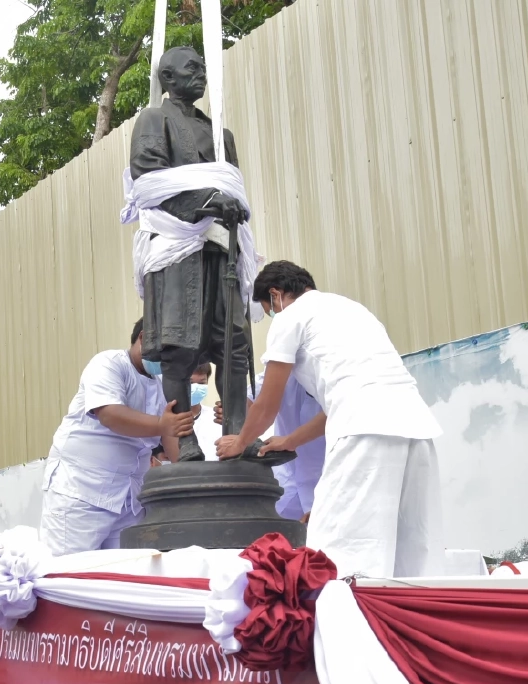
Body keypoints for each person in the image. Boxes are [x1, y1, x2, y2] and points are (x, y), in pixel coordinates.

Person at [217, 260, 443, 578]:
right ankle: (408, 608)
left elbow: (266, 405)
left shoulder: (290, 317)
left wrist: (239, 443)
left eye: (269, 310)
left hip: (363, 431)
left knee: (340, 549)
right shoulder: (354, 310)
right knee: (411, 548)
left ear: (276, 295)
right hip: (415, 426)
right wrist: (291, 440)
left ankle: (347, 610)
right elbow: (344, 399)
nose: (272, 316)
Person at [129, 46, 253, 462]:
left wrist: (230, 205)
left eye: (203, 68)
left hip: (220, 248)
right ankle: (184, 441)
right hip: (176, 247)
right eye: (191, 69)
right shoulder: (153, 120)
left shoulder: (220, 135)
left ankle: (238, 435)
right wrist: (209, 201)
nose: (200, 75)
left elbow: (231, 185)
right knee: (179, 347)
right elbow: (149, 181)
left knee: (233, 344)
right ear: (168, 78)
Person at [40, 319, 195, 556]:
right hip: (82, 493)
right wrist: (162, 424)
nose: (169, 360)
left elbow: (173, 441)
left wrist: (191, 476)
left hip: (128, 501)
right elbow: (110, 414)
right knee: (68, 571)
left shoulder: (162, 385)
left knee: (123, 571)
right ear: (144, 338)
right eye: (168, 351)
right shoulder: (108, 364)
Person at [215, 373, 326, 520]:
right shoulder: (283, 371)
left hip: (330, 478)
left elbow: (336, 411)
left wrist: (241, 442)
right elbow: (253, 402)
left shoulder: (338, 372)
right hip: (288, 478)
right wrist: (235, 412)